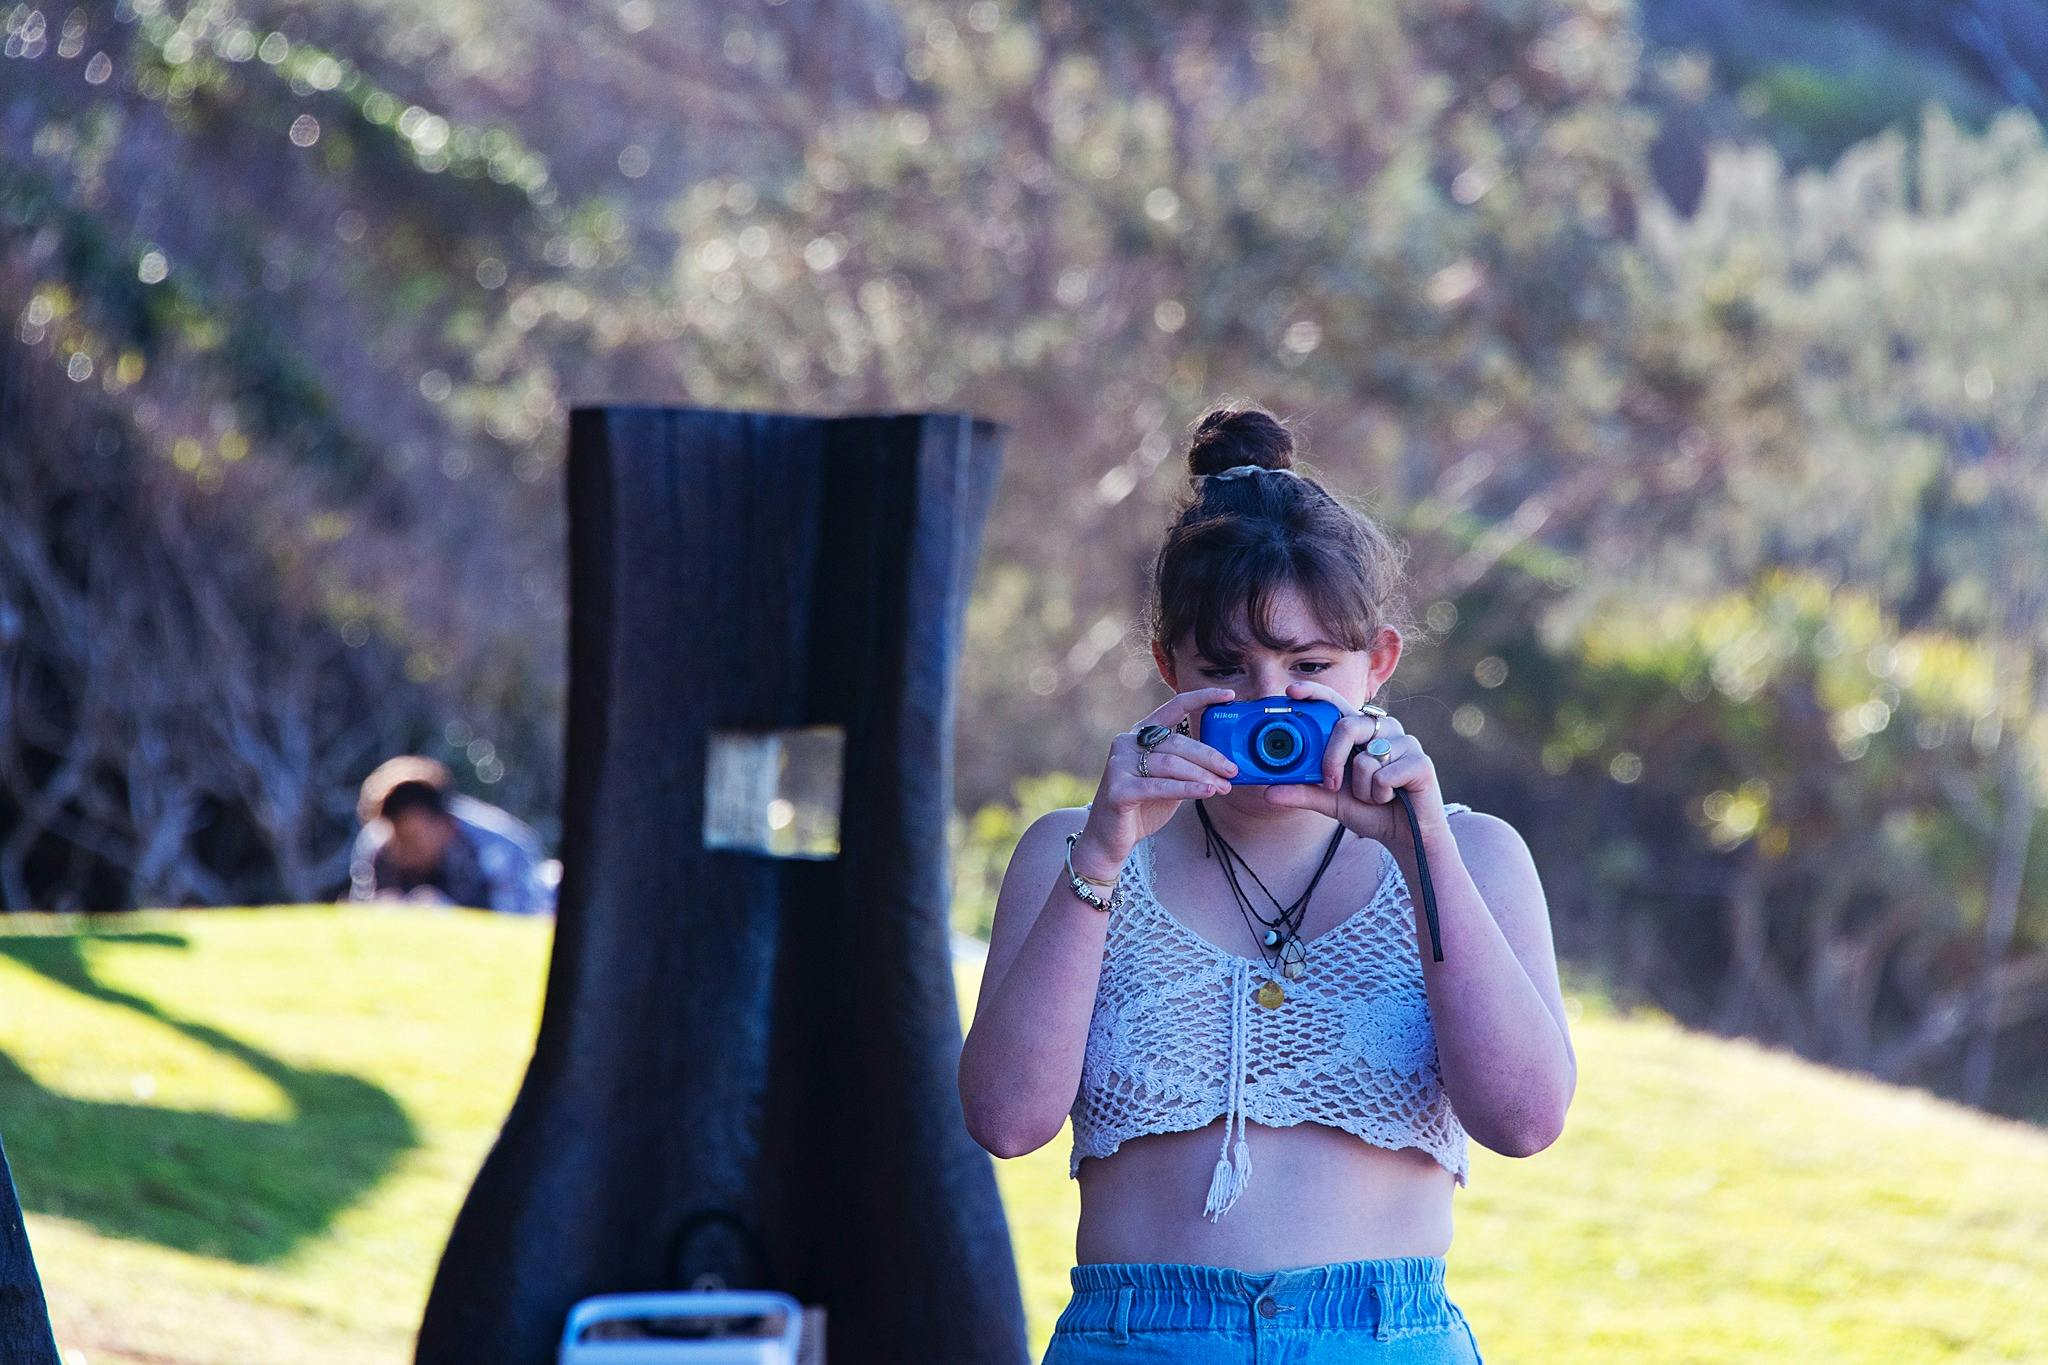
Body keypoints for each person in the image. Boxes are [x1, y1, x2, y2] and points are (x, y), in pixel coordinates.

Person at [958, 402, 1576, 1363]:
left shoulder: (1473, 854)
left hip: (1381, 1336)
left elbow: (1526, 1121)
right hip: (1135, 1339)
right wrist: (1104, 853)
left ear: (1378, 664)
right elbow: (1004, 1122)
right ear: (1168, 666)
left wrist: (1422, 857)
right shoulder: (1073, 850)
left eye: (1310, 665)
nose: (1269, 704)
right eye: (1226, 668)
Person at [347, 756, 555, 915]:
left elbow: (519, 918)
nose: (403, 851)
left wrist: (443, 910)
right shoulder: (377, 841)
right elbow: (360, 910)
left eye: (413, 839)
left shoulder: (499, 848)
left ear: (445, 825)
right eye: (398, 840)